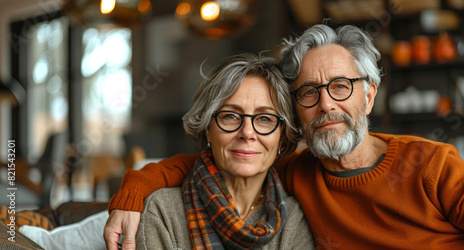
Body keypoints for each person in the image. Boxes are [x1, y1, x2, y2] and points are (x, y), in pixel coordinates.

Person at [105, 23, 464, 249]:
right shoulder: (296, 175)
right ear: (296, 112)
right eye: (310, 92)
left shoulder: (430, 164)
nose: (327, 105)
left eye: (341, 86)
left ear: (369, 94)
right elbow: (223, 159)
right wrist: (137, 184)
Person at [104, 53, 315, 249]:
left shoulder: (294, 217)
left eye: (265, 119)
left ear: (282, 137)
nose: (247, 133)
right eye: (230, 116)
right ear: (207, 129)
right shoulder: (161, 211)